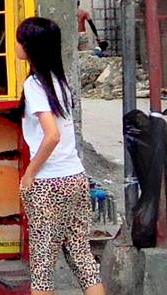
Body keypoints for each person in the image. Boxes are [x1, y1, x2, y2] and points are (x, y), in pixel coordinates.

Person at [16, 17, 104, 295]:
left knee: (43, 265)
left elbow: (51, 135)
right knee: (81, 254)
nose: (16, 45)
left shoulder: (34, 85)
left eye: (19, 41)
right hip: (75, 177)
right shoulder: (59, 82)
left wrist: (30, 173)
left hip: (48, 183)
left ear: (29, 47)